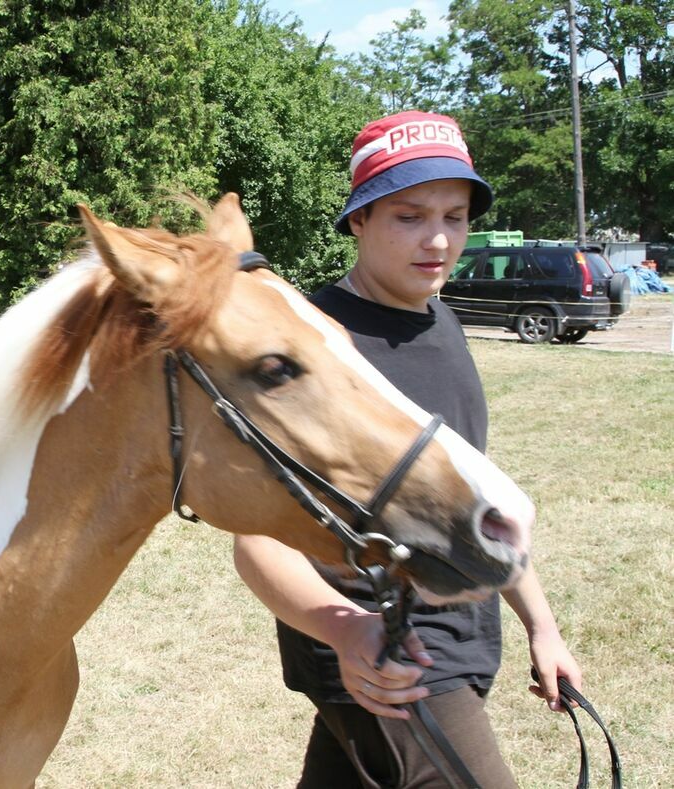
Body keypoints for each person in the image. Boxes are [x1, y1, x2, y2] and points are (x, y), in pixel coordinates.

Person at [233, 111, 582, 788]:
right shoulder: (314, 349)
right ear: (358, 220)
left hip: (453, 643)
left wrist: (543, 626)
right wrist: (345, 630)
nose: (439, 238)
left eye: (455, 215)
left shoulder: (441, 321)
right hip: (393, 660)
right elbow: (258, 541)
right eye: (410, 216)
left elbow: (475, 503)